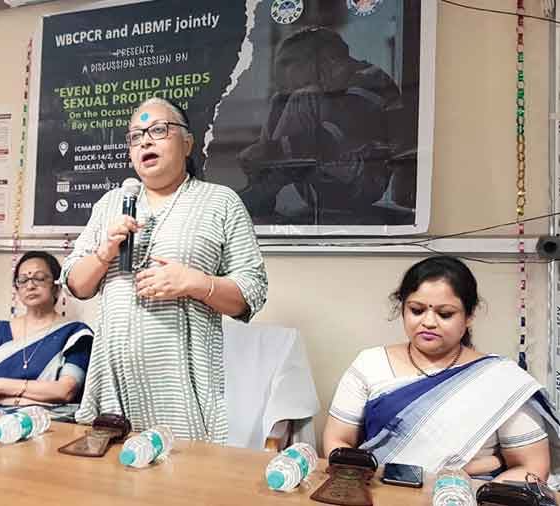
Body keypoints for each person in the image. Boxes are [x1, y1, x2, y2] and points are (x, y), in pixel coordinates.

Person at [62, 97, 269, 443]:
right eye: (135, 135)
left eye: (158, 130)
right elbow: (76, 284)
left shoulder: (220, 202)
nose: (145, 141)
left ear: (187, 143)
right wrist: (103, 254)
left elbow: (252, 292)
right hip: (111, 389)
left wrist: (195, 283)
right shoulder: (111, 204)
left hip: (182, 395)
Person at [323, 256, 557, 481]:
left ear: (469, 316)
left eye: (445, 314)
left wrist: (468, 492)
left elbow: (532, 467)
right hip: (379, 491)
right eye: (416, 310)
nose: (429, 322)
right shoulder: (370, 364)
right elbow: (338, 441)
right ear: (402, 308)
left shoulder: (501, 380)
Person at [237, 26, 401, 217]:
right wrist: (261, 153)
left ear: (328, 62)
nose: (299, 88)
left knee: (300, 98)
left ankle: (267, 186)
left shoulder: (371, 82)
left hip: (360, 181)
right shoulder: (334, 88)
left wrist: (270, 151)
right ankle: (263, 185)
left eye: (303, 81)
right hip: (328, 179)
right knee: (280, 99)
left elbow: (331, 140)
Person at [0, 251, 93, 410]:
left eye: (39, 278)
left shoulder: (76, 334)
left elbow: (65, 391)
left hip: (47, 424)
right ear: (17, 289)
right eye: (23, 280)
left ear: (56, 286)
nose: (30, 286)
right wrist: (27, 400)